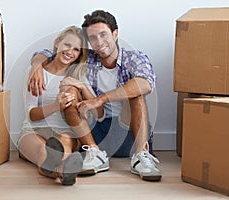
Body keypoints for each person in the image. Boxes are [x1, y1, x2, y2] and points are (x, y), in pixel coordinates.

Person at [27, 10, 162, 181]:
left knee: (136, 92)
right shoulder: (89, 59)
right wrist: (36, 66)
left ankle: (141, 156)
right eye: (93, 38)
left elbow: (146, 84)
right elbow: (50, 53)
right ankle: (94, 153)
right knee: (71, 90)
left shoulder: (133, 58)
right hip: (95, 133)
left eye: (103, 35)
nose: (99, 42)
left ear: (115, 33)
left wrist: (100, 99)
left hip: (128, 133)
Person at [18, 25, 108, 186]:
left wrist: (82, 87)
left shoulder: (78, 76)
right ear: (57, 43)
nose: (70, 52)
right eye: (67, 45)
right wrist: (55, 106)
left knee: (63, 144)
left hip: (64, 131)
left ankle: (62, 168)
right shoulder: (37, 73)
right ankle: (63, 171)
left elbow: (99, 114)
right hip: (34, 129)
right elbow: (31, 114)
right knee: (42, 151)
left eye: (76, 49)